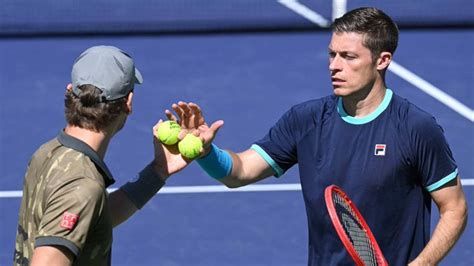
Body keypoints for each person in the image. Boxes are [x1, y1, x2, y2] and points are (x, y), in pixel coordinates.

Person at [165, 7, 468, 266]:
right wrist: (206, 153)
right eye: (332, 54)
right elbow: (240, 171)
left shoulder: (416, 128)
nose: (334, 66)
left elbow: (454, 208)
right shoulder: (306, 120)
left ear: (382, 60)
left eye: (348, 57)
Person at [13, 45, 193, 265]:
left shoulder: (49, 152)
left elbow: (90, 218)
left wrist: (159, 170)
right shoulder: (82, 186)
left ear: (70, 91)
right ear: (128, 102)